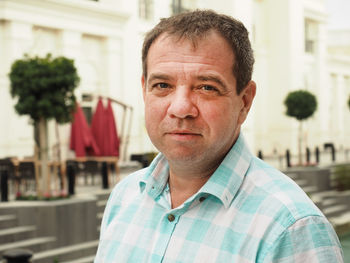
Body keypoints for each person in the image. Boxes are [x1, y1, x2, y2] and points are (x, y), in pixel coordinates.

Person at [94, 10, 343, 262]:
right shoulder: (124, 198)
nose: (180, 108)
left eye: (206, 87)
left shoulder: (290, 229)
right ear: (144, 90)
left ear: (244, 102)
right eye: (162, 85)